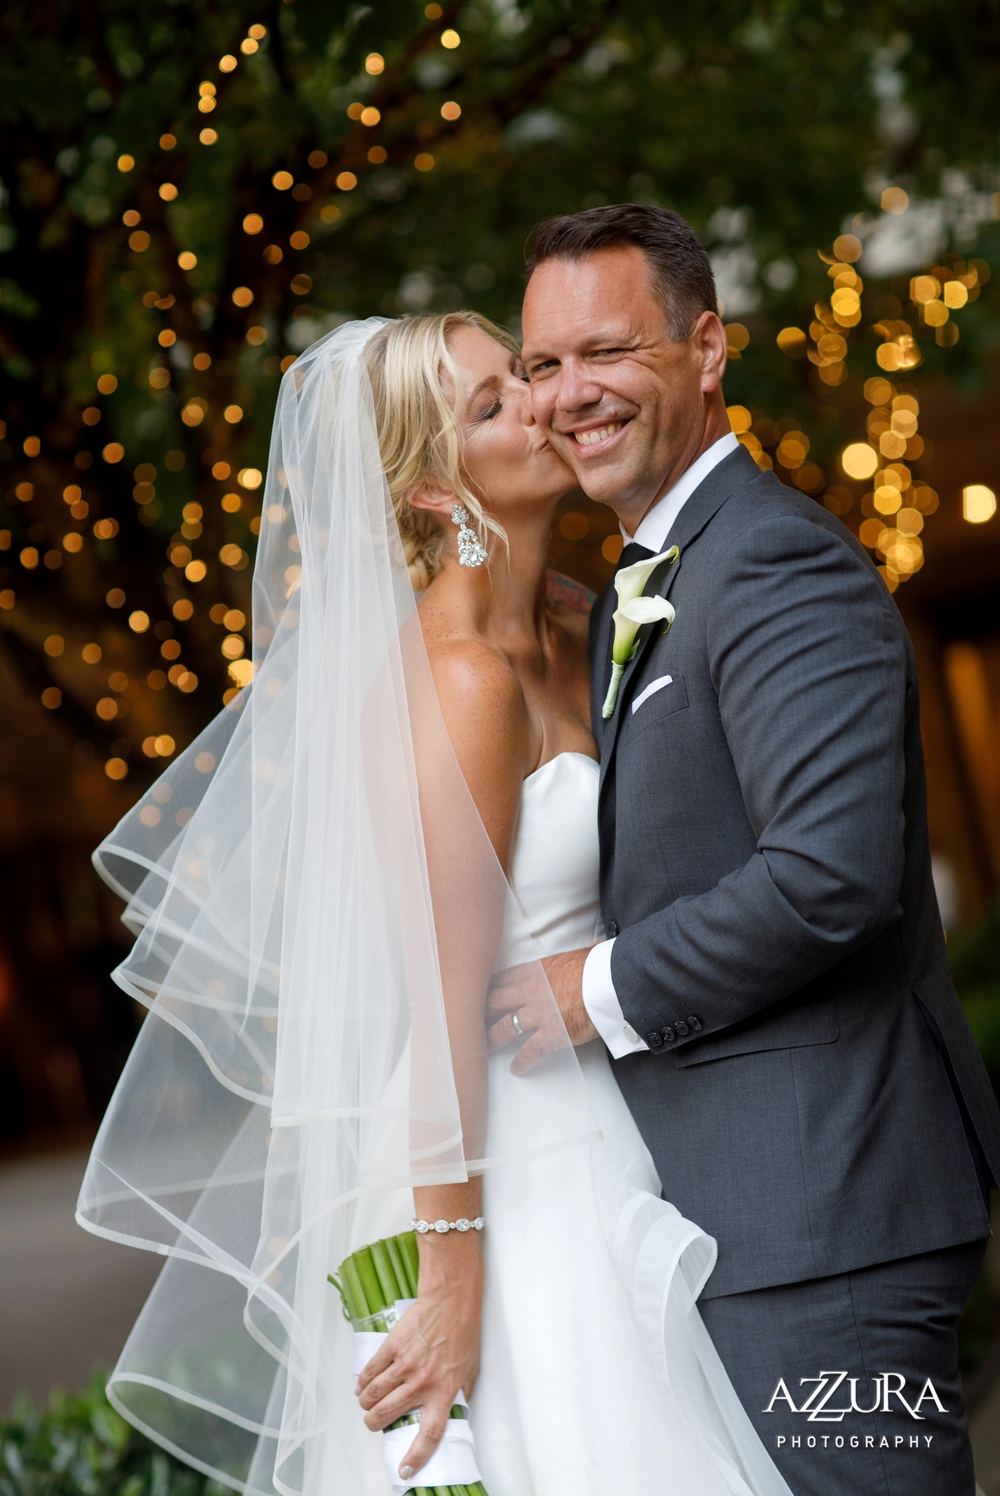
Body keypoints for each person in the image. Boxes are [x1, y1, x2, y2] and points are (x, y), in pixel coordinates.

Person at [78, 311, 792, 1496]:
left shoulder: (583, 617)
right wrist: (451, 1274)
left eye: (520, 376)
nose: (542, 403)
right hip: (509, 1154)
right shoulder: (459, 678)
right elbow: (436, 1003)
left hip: (617, 1096)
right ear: (426, 490)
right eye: (493, 404)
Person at [499, 203, 1000, 1496]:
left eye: (605, 350)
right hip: (741, 1219)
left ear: (707, 348)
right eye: (541, 366)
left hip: (826, 1224)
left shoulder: (773, 561)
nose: (569, 396)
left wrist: (588, 990)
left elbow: (826, 876)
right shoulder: (645, 582)